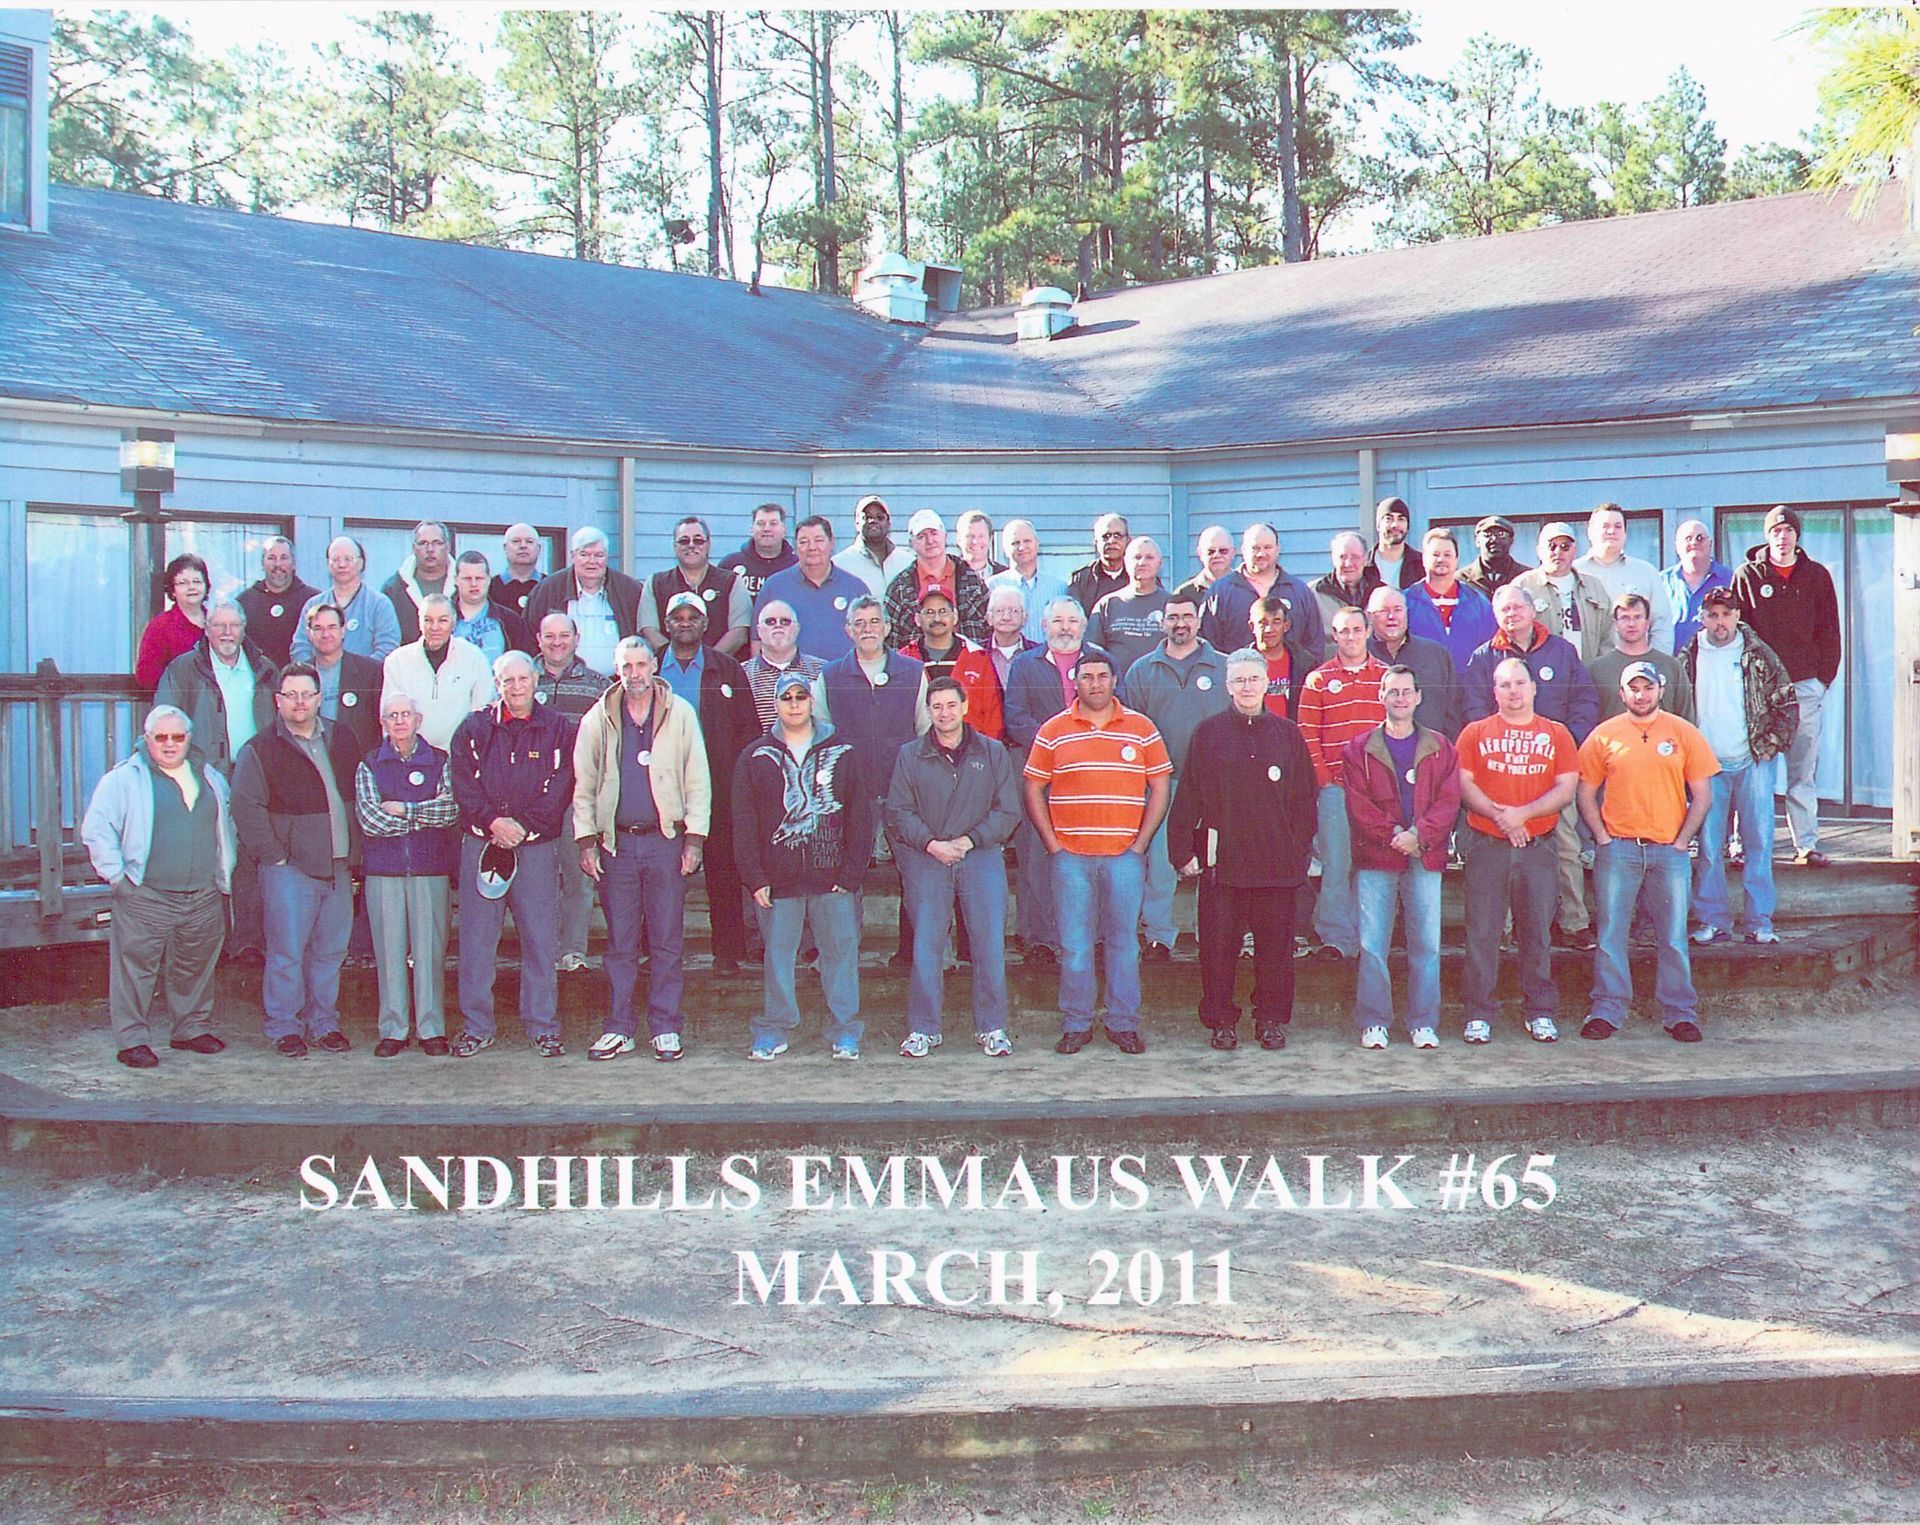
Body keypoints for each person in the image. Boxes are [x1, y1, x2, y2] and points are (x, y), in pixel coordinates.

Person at [1024, 650, 1172, 1054]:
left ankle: (1123, 1023)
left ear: (1114, 680)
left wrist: (1140, 843)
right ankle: (1077, 1023)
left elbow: (1160, 786)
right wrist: (1053, 844)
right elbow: (1033, 787)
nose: (1094, 684)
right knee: (1075, 945)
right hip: (1071, 858)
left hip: (1124, 857)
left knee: (1124, 944)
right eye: (1086, 676)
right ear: (1075, 682)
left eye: (1102, 676)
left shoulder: (1141, 728)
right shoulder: (1054, 730)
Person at [1168, 649, 1315, 1049]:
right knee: (1218, 950)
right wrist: (1182, 851)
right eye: (1239, 680)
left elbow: (1304, 801)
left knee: (1276, 951)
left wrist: (1297, 851)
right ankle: (1221, 1021)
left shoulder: (1287, 734)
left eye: (1253, 679)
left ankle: (1270, 1019)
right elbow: (1189, 796)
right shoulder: (1208, 733)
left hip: (1275, 865)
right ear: (1227, 685)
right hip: (1224, 865)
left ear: (1267, 683)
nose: (1247, 687)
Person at [573, 637, 710, 1062]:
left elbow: (697, 778)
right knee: (621, 943)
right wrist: (586, 840)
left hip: (665, 842)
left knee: (667, 940)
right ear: (617, 670)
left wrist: (694, 838)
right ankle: (619, 1027)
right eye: (626, 666)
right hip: (617, 845)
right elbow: (584, 784)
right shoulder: (599, 717)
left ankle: (665, 1027)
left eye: (640, 665)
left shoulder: (679, 713)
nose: (634, 674)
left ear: (654, 666)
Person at [81, 704, 235, 1069]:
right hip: (146, 894)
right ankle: (132, 1039)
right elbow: (97, 829)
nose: (169, 744)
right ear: (146, 739)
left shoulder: (209, 776)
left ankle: (190, 1029)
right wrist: (118, 878)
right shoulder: (124, 779)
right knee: (136, 970)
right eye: (160, 737)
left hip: (203, 894)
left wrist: (223, 874)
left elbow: (227, 825)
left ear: (189, 739)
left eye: (177, 737)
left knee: (195, 965)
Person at [1576, 664, 1719, 1043]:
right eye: (1633, 688)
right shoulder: (1604, 734)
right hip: (1618, 850)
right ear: (1622, 693)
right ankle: (1607, 1009)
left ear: (1661, 690)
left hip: (1668, 852)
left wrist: (1682, 840)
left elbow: (1703, 795)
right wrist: (1602, 837)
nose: (1641, 695)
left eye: (1648, 687)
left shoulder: (1684, 733)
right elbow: (1585, 792)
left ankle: (1679, 1013)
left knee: (1672, 936)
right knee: (1611, 933)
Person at [732, 671, 870, 1060]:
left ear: (812, 701)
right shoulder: (755, 756)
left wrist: (851, 874)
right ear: (775, 704)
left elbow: (860, 817)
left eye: (800, 696)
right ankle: (775, 1028)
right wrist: (754, 877)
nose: (794, 704)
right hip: (778, 879)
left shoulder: (843, 751)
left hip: (832, 878)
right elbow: (743, 822)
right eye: (786, 697)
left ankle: (845, 1030)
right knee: (778, 957)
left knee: (840, 954)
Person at [447, 651, 578, 1059]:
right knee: (477, 941)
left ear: (536, 681)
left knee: (539, 940)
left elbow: (563, 783)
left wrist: (524, 826)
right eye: (508, 680)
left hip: (535, 847)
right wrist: (493, 822)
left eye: (523, 679)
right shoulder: (473, 727)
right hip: (482, 843)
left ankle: (542, 1027)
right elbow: (463, 783)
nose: (516, 687)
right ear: (496, 683)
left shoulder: (558, 728)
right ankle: (476, 1026)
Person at [230, 662, 364, 1058]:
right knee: (287, 952)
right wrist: (274, 856)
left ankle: (324, 1022)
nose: (300, 702)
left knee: (330, 952)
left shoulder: (341, 738)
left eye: (307, 694)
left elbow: (356, 795)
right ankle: (285, 1026)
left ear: (320, 698)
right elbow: (245, 807)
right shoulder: (260, 749)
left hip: (338, 865)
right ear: (278, 701)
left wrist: (355, 854)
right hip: (290, 869)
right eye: (291, 695)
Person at [886, 675, 1022, 1058]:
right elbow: (898, 811)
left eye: (950, 705)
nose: (944, 713)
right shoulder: (910, 754)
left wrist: (971, 840)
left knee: (989, 944)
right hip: (928, 858)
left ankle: (992, 1027)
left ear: (964, 707)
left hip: (980, 856)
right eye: (936, 707)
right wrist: (931, 844)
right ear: (928, 711)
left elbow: (1008, 810)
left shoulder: (992, 752)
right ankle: (923, 1029)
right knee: (927, 945)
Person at [1463, 584, 1601, 950]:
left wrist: (1566, 744)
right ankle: (1505, 929)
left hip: (1552, 770)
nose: (1511, 615)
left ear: (1532, 610)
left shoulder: (1561, 651)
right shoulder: (1484, 657)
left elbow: (1585, 700)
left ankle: (1573, 922)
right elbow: (1473, 708)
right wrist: (1494, 749)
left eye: (1517, 607)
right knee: (1504, 847)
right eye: (1504, 610)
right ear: (1496, 616)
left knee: (1566, 845)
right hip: (1502, 769)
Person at [1455, 658, 1580, 1046]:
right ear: (1494, 691)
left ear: (1534, 687)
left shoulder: (1557, 734)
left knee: (1537, 931)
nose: (1513, 691)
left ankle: (1540, 1011)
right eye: (1505, 684)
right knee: (1482, 932)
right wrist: (1502, 818)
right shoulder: (1474, 733)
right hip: (1487, 844)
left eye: (1520, 683)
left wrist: (1522, 815)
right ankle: (1478, 1013)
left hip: (1538, 845)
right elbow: (1464, 783)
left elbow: (1566, 788)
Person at [1345, 665, 1461, 1050]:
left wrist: (1419, 835)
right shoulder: (1359, 749)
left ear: (1418, 696)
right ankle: (1374, 1021)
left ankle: (1423, 1022)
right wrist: (1394, 835)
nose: (1400, 698)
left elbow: (1448, 801)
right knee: (1372, 944)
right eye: (1392, 691)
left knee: (1426, 944)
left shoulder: (1441, 747)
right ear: (1381, 696)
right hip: (1377, 857)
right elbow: (1358, 805)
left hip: (1424, 855)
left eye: (1406, 691)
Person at [1682, 588, 1799, 946]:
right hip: (1706, 767)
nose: (1720, 622)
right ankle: (1712, 920)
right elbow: (1674, 708)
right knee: (1709, 846)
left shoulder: (1759, 654)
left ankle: (1759, 921)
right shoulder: (1689, 656)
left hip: (1753, 762)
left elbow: (1787, 703)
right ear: (1702, 617)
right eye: (1713, 615)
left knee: (1759, 842)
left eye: (1726, 614)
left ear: (1737, 615)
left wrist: (1770, 746)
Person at [1118, 590, 1229, 961]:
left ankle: (1211, 933)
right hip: (1161, 783)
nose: (1180, 624)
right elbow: (1129, 730)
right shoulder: (1141, 670)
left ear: (1198, 620)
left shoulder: (1224, 667)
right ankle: (1159, 936)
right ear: (1162, 622)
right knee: (1162, 862)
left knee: (1214, 860)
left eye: (1187, 617)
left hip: (1214, 783)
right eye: (1172, 617)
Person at [1731, 505, 1841, 867]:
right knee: (1753, 770)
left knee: (1802, 770)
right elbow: (1738, 631)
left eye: (1788, 530)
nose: (1782, 536)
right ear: (1767, 536)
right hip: (1762, 691)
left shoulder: (1816, 576)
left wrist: (1823, 678)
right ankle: (1743, 844)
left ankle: (1805, 844)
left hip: (1805, 686)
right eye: (1776, 531)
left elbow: (1830, 630)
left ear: (1797, 535)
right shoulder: (1747, 575)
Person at [660, 592, 761, 975]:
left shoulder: (727, 669)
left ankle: (727, 952)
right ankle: (659, 952)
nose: (685, 623)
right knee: (663, 874)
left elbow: (749, 730)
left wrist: (740, 784)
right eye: (678, 617)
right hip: (663, 786)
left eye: (693, 617)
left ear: (706, 624)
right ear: (666, 624)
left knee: (723, 871)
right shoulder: (652, 667)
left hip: (718, 785)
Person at [354, 692, 458, 1058]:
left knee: (430, 952)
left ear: (418, 720)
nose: (399, 721)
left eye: (406, 714)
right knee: (389, 952)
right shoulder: (370, 763)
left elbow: (449, 810)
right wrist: (421, 817)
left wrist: (404, 810)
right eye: (392, 715)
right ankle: (393, 1029)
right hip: (384, 872)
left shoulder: (440, 761)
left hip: (431, 869)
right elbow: (370, 820)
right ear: (383, 722)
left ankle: (432, 1029)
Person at [1003, 597, 1107, 964]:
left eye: (1072, 621)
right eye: (1058, 621)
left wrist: (1085, 750)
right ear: (1044, 626)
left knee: (1092, 855)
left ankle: (1095, 936)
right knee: (1037, 855)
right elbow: (1016, 717)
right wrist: (1058, 748)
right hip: (1041, 774)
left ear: (1083, 626)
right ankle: (1040, 939)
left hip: (1093, 774)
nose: (1065, 628)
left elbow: (1117, 709)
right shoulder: (1025, 665)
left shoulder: (1101, 662)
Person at [815, 597, 927, 905]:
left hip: (903, 792)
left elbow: (926, 732)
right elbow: (820, 739)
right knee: (845, 879)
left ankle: (915, 939)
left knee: (916, 876)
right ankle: (845, 938)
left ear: (887, 627)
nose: (868, 629)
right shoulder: (830, 676)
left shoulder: (913, 672)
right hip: (851, 793)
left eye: (875, 621)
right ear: (848, 630)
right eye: (860, 623)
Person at [1295, 608, 1388, 961]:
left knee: (1372, 863)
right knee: (1336, 863)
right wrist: (1324, 781)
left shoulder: (1385, 677)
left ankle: (1368, 935)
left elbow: (1397, 730)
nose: (1350, 637)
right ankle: (1335, 938)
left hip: (1376, 792)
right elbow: (1307, 734)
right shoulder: (1318, 679)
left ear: (1367, 631)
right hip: (1334, 788)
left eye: (1356, 630)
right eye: (1343, 631)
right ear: (1334, 636)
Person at [532, 611, 608, 972]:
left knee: (579, 876)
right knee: (537, 879)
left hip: (578, 796)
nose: (557, 642)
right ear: (538, 640)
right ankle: (541, 950)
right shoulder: (524, 679)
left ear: (577, 639)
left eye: (564, 635)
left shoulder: (598, 686)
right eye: (549, 636)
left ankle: (572, 950)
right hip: (532, 799)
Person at [153, 600, 276, 776]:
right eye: (219, 625)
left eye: (234, 625)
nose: (227, 632)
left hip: (258, 774)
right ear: (207, 628)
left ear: (243, 629)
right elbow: (163, 720)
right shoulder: (183, 669)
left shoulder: (265, 669)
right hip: (203, 775)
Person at [524, 526, 646, 680]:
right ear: (572, 556)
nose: (592, 561)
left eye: (599, 555)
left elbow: (643, 638)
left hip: (618, 684)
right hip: (563, 684)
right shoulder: (548, 589)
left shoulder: (629, 590)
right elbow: (528, 637)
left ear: (607, 557)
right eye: (584, 554)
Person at [380, 594, 493, 750]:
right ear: (419, 622)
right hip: (412, 756)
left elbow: (482, 716)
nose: (434, 627)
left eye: (442, 620)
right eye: (428, 620)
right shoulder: (397, 661)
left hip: (460, 755)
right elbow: (389, 718)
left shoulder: (475, 658)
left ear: (453, 623)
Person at [1199, 522, 1324, 657]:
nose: (1261, 554)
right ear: (1243, 550)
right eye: (1255, 548)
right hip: (1236, 670)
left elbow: (1314, 646)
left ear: (1278, 549)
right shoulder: (1219, 593)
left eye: (1267, 547)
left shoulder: (1299, 591)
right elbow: (1208, 647)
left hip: (1290, 671)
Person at [758, 515, 871, 662]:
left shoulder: (855, 587)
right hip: (791, 675)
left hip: (845, 674)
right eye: (804, 542)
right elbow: (757, 640)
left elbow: (871, 637)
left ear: (832, 543)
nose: (812, 547)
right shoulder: (774, 586)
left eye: (819, 540)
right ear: (795, 547)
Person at [900, 585, 1005, 739]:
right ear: (917, 619)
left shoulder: (978, 658)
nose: (937, 618)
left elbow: (993, 716)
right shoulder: (904, 660)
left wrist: (987, 751)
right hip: (919, 750)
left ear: (954, 616)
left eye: (943, 611)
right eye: (929, 612)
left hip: (971, 749)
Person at [641, 515, 750, 656]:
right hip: (669, 667)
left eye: (698, 540)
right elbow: (649, 630)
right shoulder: (655, 584)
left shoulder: (732, 582)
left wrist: (708, 661)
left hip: (720, 666)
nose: (691, 545)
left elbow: (739, 633)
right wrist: (675, 660)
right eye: (684, 541)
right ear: (674, 546)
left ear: (708, 544)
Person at [882, 510, 990, 649]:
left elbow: (989, 630)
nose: (930, 541)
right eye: (922, 536)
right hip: (916, 662)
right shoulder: (899, 588)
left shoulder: (972, 580)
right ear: (911, 543)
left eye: (934, 533)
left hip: (968, 661)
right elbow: (889, 642)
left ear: (945, 535)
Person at [1575, 502, 1675, 652]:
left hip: (1636, 663)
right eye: (1605, 526)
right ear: (1590, 532)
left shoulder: (1646, 573)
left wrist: (1658, 661)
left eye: (1618, 526)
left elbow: (1661, 625)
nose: (1611, 531)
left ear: (1625, 533)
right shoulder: (1574, 572)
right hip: (1585, 663)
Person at [1365, 586, 1461, 738]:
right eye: (1384, 611)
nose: (1391, 616)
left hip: (1429, 748)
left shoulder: (1435, 654)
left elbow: (1453, 713)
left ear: (1406, 613)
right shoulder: (1359, 656)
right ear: (1369, 616)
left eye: (1398, 610)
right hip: (1373, 749)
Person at [1512, 522, 1611, 666]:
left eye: (1565, 546)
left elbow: (1608, 634)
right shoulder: (1522, 586)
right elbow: (1511, 634)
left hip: (1587, 672)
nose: (1558, 552)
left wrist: (1600, 668)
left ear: (1575, 550)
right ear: (1539, 551)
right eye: (1552, 546)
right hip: (1539, 673)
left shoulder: (1594, 586)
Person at [293, 536, 401, 662]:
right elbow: (300, 647)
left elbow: (388, 648)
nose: (342, 565)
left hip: (367, 674)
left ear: (361, 563)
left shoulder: (379, 604)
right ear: (328, 564)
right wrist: (317, 671)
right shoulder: (313, 605)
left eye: (348, 559)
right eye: (335, 559)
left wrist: (358, 671)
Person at [1589, 593, 1695, 722]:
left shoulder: (1671, 666)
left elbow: (1686, 719)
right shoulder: (1596, 669)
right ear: (1615, 623)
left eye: (1637, 617)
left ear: (1647, 622)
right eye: (1625, 618)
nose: (1631, 624)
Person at [1405, 526, 1496, 674]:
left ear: (1456, 559)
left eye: (1447, 555)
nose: (1441, 559)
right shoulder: (1406, 602)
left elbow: (1491, 652)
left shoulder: (1478, 603)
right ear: (1423, 559)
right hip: (1423, 686)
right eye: (1435, 554)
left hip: (1470, 686)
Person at [303, 602, 383, 758]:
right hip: (314, 760)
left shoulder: (370, 671)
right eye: (318, 628)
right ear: (309, 634)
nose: (325, 634)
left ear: (343, 630)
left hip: (358, 761)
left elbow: (380, 726)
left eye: (332, 627)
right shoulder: (300, 675)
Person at [1088, 536, 1172, 678]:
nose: (1142, 562)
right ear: (1125, 562)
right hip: (1119, 687)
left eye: (1149, 557)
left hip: (1162, 686)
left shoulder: (1172, 605)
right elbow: (1092, 652)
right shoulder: (1108, 604)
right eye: (1137, 557)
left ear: (1160, 563)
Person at [743, 600, 827, 731]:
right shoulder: (741, 674)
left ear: (797, 628)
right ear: (758, 630)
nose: (778, 626)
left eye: (785, 622)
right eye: (770, 622)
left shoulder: (823, 671)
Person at [237, 537, 317, 670]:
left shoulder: (313, 601)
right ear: (262, 563)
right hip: (258, 679)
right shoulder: (244, 602)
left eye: (284, 558)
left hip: (301, 679)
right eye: (271, 558)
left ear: (294, 563)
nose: (278, 564)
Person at [135, 553, 212, 690]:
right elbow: (146, 676)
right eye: (183, 583)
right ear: (173, 590)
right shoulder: (161, 626)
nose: (191, 587)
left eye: (197, 581)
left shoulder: (217, 622)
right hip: (178, 699)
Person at [987, 519, 1068, 643]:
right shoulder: (992, 586)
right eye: (1015, 543)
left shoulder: (1059, 587)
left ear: (1037, 544)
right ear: (1005, 549)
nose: (1021, 547)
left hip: (1048, 654)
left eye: (1027, 541)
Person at [1661, 519, 1734, 653]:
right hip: (1669, 662)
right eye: (1688, 539)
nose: (1694, 542)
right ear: (1677, 546)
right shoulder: (1660, 582)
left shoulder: (1731, 580)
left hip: (1718, 660)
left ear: (1710, 544)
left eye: (1700, 538)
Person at [451, 550, 535, 663]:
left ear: (488, 580)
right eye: (467, 579)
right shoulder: (443, 619)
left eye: (479, 578)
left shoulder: (510, 620)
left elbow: (525, 662)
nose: (474, 584)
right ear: (455, 580)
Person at [383, 520, 457, 645]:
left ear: (448, 547)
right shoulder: (393, 589)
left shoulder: (464, 585)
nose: (430, 549)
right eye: (423, 543)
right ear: (414, 548)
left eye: (436, 543)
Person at [1312, 532, 1383, 653]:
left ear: (1365, 559)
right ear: (1333, 559)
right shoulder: (1313, 594)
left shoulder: (1381, 595)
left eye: (1355, 557)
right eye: (1342, 557)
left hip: (1375, 663)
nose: (1348, 563)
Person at [832, 494, 914, 597]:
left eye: (880, 517)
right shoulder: (839, 565)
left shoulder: (907, 563)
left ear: (888, 524)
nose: (873, 521)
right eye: (867, 517)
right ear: (857, 523)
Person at [718, 501, 799, 601]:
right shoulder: (729, 564)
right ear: (752, 530)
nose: (767, 529)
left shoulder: (797, 566)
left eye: (773, 523)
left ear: (784, 530)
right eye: (761, 524)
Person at [1249, 595, 1313, 720]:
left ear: (1286, 626)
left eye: (1276, 622)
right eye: (1263, 623)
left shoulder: (1304, 664)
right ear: (1252, 626)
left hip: (1291, 730)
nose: (1269, 629)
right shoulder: (1239, 665)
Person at [1066, 513, 1131, 615]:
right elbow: (1073, 617)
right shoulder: (1080, 580)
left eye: (1117, 536)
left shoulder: (1140, 577)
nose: (1111, 541)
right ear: (1096, 542)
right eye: (1106, 536)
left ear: (1128, 540)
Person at [1459, 515, 1531, 598]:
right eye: (1488, 535)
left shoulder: (1527, 578)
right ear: (1477, 541)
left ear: (1511, 540)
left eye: (1501, 534)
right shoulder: (1460, 580)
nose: (1494, 539)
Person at [985, 585, 1038, 690]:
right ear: (989, 618)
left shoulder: (1038, 654)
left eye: (1014, 611)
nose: (1006, 617)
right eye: (1000, 611)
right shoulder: (977, 653)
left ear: (1024, 618)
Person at [492, 522, 545, 618]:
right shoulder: (490, 587)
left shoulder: (549, 586)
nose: (523, 546)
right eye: (516, 541)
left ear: (539, 548)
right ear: (505, 548)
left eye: (529, 542)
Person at [1370, 497, 1425, 589]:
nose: (1395, 525)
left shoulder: (1421, 564)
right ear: (1378, 525)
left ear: (1407, 526)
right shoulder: (1364, 565)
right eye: (1389, 518)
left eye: (1401, 519)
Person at [1174, 524, 1237, 603]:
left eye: (1223, 551)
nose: (1217, 555)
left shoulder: (1246, 589)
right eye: (1211, 551)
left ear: (1233, 553)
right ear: (1200, 553)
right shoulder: (1184, 594)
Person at [955, 510, 1006, 579]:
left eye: (981, 536)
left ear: (990, 539)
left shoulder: (1006, 577)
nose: (975, 541)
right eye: (969, 536)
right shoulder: (949, 576)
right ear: (958, 539)